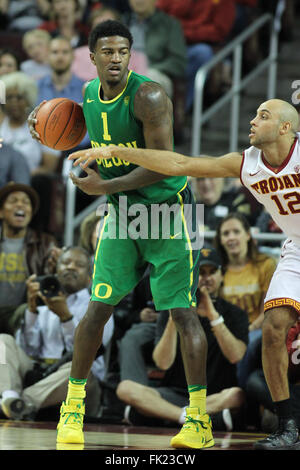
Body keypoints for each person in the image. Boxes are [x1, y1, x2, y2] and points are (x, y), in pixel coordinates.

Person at [72, 98, 300, 450]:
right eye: (254, 113)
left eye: (264, 116)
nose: (253, 120)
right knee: (273, 328)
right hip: (296, 247)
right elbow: (181, 163)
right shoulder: (248, 164)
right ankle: (289, 428)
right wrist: (119, 151)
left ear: (286, 128)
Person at [29, 20, 211, 450]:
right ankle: (72, 409)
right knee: (97, 308)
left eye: (123, 51)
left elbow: (165, 163)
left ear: (131, 55)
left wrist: (103, 187)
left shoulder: (148, 96)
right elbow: (107, 147)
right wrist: (88, 164)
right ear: (90, 58)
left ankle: (199, 419)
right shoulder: (89, 96)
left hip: (171, 212)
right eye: (107, 52)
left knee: (183, 314)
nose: (115, 59)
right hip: (123, 211)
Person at [116, 248, 248, 432]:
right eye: (200, 272)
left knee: (236, 395)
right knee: (126, 388)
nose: (206, 278)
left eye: (212, 272)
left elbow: (236, 356)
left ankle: (167, 415)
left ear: (222, 276)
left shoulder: (235, 314)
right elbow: (162, 362)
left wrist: (213, 315)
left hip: (213, 395)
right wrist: (173, 317)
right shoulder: (171, 312)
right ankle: (188, 418)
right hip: (175, 393)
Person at [0, 246, 114, 420]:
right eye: (66, 262)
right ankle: (9, 397)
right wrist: (31, 309)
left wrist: (66, 317)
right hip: (40, 374)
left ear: (90, 276)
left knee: (80, 368)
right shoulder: (46, 300)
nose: (70, 267)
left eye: (79, 264)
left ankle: (20, 404)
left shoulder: (98, 307)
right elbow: (28, 350)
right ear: (57, 270)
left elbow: (89, 353)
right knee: (3, 341)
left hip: (81, 384)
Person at [214, 212, 277, 389]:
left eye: (236, 231)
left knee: (246, 343)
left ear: (247, 235)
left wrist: (248, 328)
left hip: (257, 329)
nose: (231, 237)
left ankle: (240, 394)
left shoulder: (266, 264)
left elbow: (269, 309)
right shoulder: (217, 270)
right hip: (226, 330)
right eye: (226, 234)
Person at [0, 182, 58, 334]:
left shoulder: (46, 243)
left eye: (26, 202)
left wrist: (57, 267)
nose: (20, 205)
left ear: (31, 213)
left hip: (22, 312)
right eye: (13, 201)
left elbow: (50, 285)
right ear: (1, 212)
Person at [122, 0, 187, 98]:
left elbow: (178, 61)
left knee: (146, 80)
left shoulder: (169, 24)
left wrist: (148, 69)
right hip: (123, 70)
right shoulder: (122, 22)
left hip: (154, 72)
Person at [0, 71, 61, 174]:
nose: (14, 102)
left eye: (19, 97)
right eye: (9, 97)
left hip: (31, 183)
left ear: (28, 99)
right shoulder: (1, 123)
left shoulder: (41, 126)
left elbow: (49, 168)